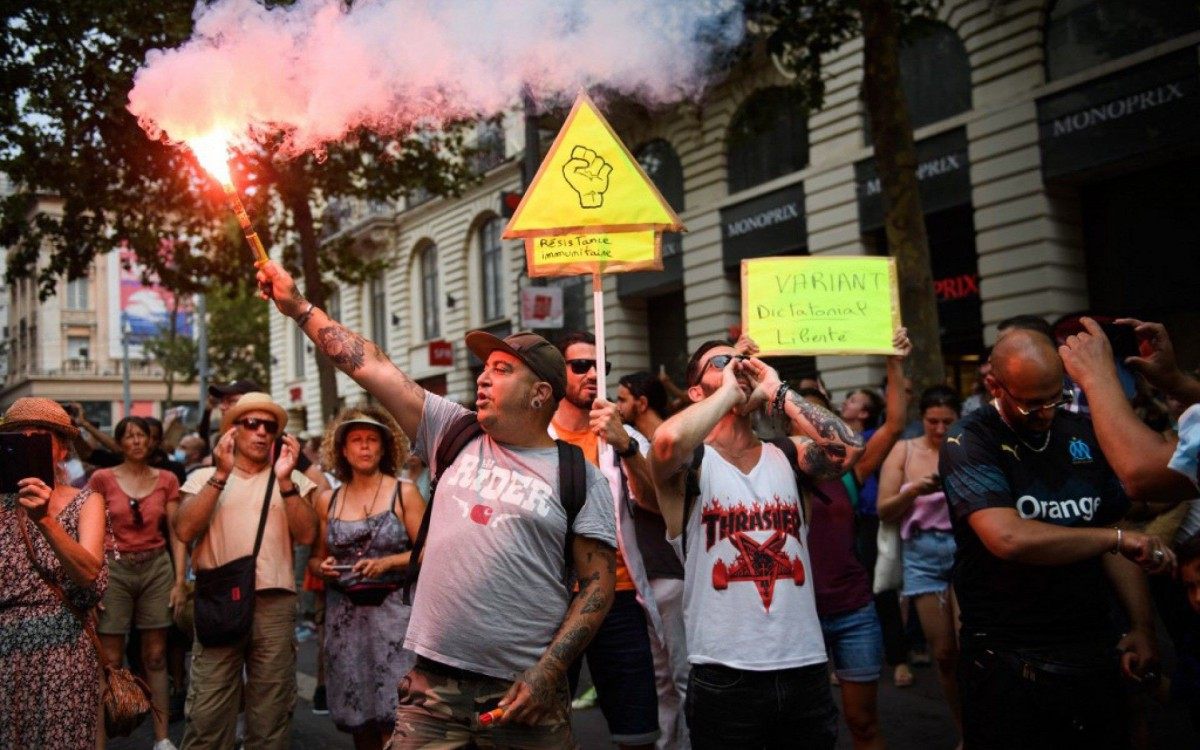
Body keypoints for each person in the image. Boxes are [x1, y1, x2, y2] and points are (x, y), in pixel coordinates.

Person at [257, 259, 618, 749]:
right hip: (431, 688)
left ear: (540, 394)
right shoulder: (454, 431)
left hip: (524, 694)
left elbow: (597, 587)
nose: (483, 379)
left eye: (502, 370)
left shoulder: (582, 477)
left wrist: (548, 672)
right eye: (485, 369)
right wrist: (299, 308)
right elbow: (374, 366)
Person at [939, 328, 1175, 749]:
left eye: (1056, 397)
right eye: (1032, 403)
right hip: (1009, 655)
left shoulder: (1081, 431)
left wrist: (1141, 626)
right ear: (995, 385)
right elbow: (1007, 537)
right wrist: (1112, 539)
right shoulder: (969, 439)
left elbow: (1114, 527)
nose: (1047, 412)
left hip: (1091, 644)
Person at [649, 341, 864, 749]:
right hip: (722, 674)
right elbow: (665, 442)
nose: (737, 365)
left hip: (804, 667)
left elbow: (849, 449)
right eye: (721, 361)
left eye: (741, 360)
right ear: (696, 392)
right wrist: (730, 390)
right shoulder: (690, 465)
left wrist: (777, 389)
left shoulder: (789, 454)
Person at [175, 392, 318, 750]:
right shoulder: (204, 476)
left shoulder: (293, 481)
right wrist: (221, 475)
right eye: (250, 424)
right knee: (208, 713)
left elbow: (307, 535)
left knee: (270, 715)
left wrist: (286, 482)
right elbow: (184, 530)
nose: (260, 432)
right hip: (219, 601)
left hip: (274, 603)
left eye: (269, 426)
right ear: (232, 432)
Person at [549, 332, 660, 750]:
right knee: (546, 728)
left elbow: (652, 505)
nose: (594, 374)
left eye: (601, 367)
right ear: (556, 374)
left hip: (619, 599)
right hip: (555, 600)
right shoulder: (536, 437)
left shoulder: (623, 437)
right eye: (581, 366)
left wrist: (627, 447)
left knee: (638, 732)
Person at [803, 328, 910, 750]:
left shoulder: (850, 470)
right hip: (797, 618)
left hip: (852, 611)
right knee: (807, 730)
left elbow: (896, 423)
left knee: (862, 722)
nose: (810, 430)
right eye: (800, 421)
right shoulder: (771, 468)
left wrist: (893, 360)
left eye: (818, 420)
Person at [310, 406, 426, 750]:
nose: (364, 447)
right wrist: (324, 568)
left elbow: (429, 552)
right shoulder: (327, 500)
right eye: (356, 440)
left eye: (372, 440)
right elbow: (315, 559)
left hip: (395, 619)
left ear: (384, 448)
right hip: (345, 621)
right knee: (358, 717)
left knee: (399, 716)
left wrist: (388, 562)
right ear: (342, 450)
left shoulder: (403, 492)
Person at [0, 397, 108, 748]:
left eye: (40, 439)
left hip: (64, 651)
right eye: (19, 439)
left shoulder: (85, 501)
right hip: (6, 648)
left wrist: (46, 520)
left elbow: (90, 574)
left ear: (62, 450)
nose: (28, 446)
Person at [89, 416, 186, 750]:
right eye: (128, 436)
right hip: (114, 568)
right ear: (119, 443)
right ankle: (99, 741)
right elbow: (91, 527)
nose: (135, 441)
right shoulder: (101, 478)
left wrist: (179, 580)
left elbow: (177, 532)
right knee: (110, 658)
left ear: (151, 441)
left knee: (156, 655)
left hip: (156, 567)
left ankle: (162, 738)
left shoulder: (167, 479)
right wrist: (92, 577)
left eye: (141, 435)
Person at [876, 385, 963, 735]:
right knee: (942, 653)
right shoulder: (904, 450)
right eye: (933, 422)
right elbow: (884, 509)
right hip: (921, 553)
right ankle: (964, 730)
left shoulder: (966, 447)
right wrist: (914, 490)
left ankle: (988, 726)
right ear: (922, 419)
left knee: (970, 643)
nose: (940, 429)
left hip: (963, 550)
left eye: (948, 422)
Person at [617, 370, 690, 750]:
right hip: (647, 576)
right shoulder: (637, 440)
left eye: (622, 399)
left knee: (682, 675)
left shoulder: (666, 442)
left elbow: (657, 502)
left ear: (642, 403)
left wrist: (628, 453)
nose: (616, 406)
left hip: (670, 573)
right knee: (663, 678)